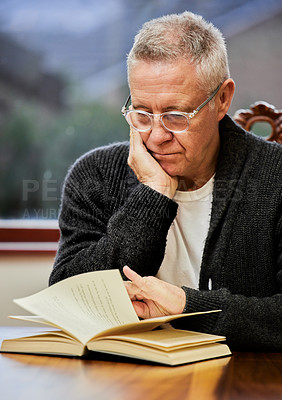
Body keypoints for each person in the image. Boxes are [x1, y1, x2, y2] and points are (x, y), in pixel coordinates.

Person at [49, 11, 282, 351]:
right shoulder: (95, 174)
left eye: (176, 116)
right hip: (122, 381)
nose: (157, 136)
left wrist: (189, 307)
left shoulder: (275, 178)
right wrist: (153, 194)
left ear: (222, 99)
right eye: (142, 114)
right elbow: (68, 298)